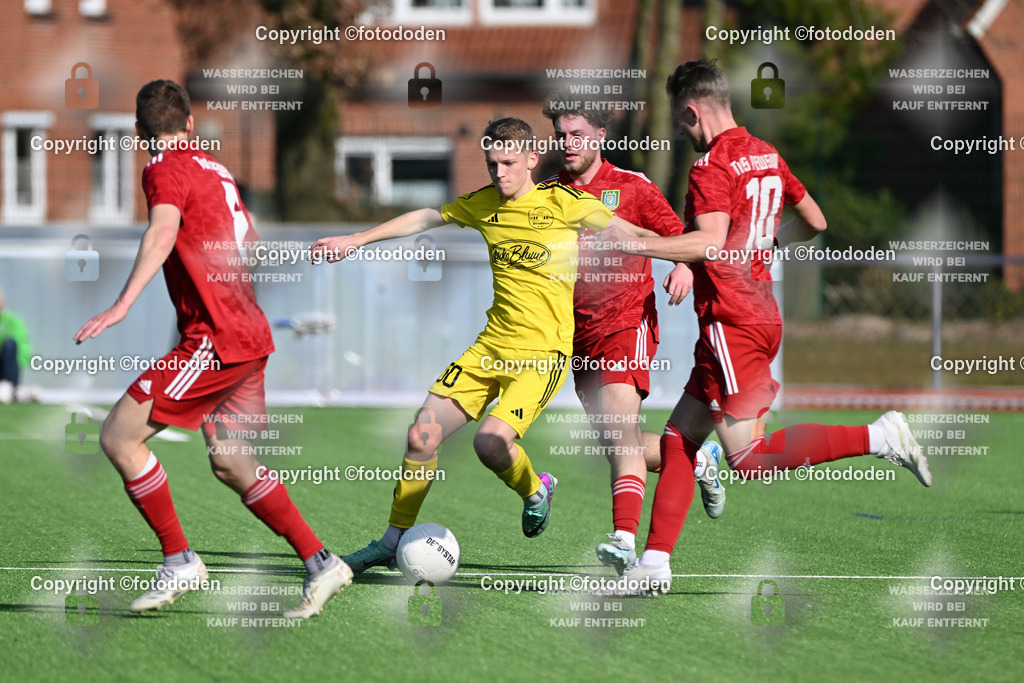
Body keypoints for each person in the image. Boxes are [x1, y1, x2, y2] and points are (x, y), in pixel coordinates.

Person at [597, 60, 931, 594]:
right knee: (679, 438)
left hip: (732, 322)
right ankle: (654, 564)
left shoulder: (711, 167)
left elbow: (708, 243)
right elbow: (816, 221)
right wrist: (767, 245)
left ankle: (879, 435)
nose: (680, 130)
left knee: (748, 458)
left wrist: (635, 244)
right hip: (752, 315)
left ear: (691, 111)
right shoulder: (766, 154)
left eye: (679, 119)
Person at [311, 117, 660, 573]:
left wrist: (689, 256)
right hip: (489, 348)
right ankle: (391, 542)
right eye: (492, 164)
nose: (499, 173)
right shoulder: (484, 204)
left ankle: (535, 490)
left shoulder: (565, 201)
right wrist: (356, 239)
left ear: (532, 159)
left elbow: (634, 233)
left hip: (543, 357)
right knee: (421, 434)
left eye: (508, 163)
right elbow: (427, 217)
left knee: (490, 443)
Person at [74, 80, 350, 618]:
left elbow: (162, 232)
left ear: (138, 131)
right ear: (190, 123)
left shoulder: (163, 167)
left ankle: (179, 560)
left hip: (216, 340)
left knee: (119, 437)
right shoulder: (215, 169)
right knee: (230, 460)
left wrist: (122, 304)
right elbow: (247, 245)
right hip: (248, 336)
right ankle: (322, 563)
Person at [540, 94, 725, 576]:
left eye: (577, 134)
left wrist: (685, 267)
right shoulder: (548, 192)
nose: (568, 143)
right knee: (617, 442)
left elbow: (681, 236)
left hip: (627, 321)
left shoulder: (632, 187)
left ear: (600, 135)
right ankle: (697, 460)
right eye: (561, 135)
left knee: (620, 434)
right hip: (577, 335)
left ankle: (624, 540)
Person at [0, 286, 33, 404]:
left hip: (7, 369)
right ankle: (18, 393)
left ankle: (7, 386)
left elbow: (24, 351)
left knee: (10, 343)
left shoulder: (14, 322)